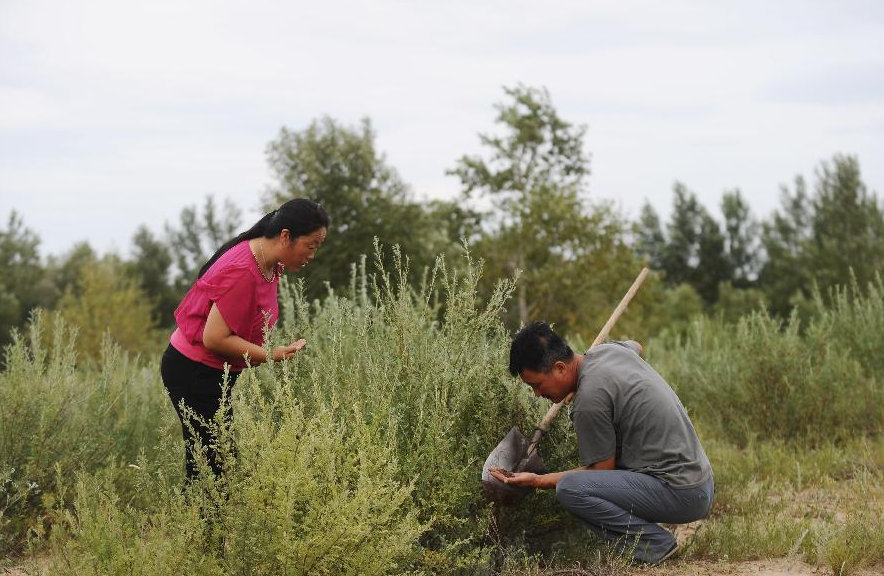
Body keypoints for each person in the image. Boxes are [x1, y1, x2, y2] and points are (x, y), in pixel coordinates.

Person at [490, 321, 714, 564]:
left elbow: (600, 472)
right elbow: (636, 346)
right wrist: (586, 381)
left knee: (570, 489)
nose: (536, 394)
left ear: (560, 368)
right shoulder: (608, 352)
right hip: (701, 481)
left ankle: (654, 545)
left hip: (684, 494)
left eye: (537, 385)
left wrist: (538, 480)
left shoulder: (589, 401)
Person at [160, 198, 329, 482]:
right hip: (194, 371)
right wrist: (272, 354)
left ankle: (201, 525)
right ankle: (198, 526)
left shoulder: (268, 261)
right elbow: (214, 338)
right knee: (213, 469)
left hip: (209, 372)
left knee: (213, 463)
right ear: (286, 236)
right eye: (311, 246)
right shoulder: (243, 270)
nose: (312, 255)